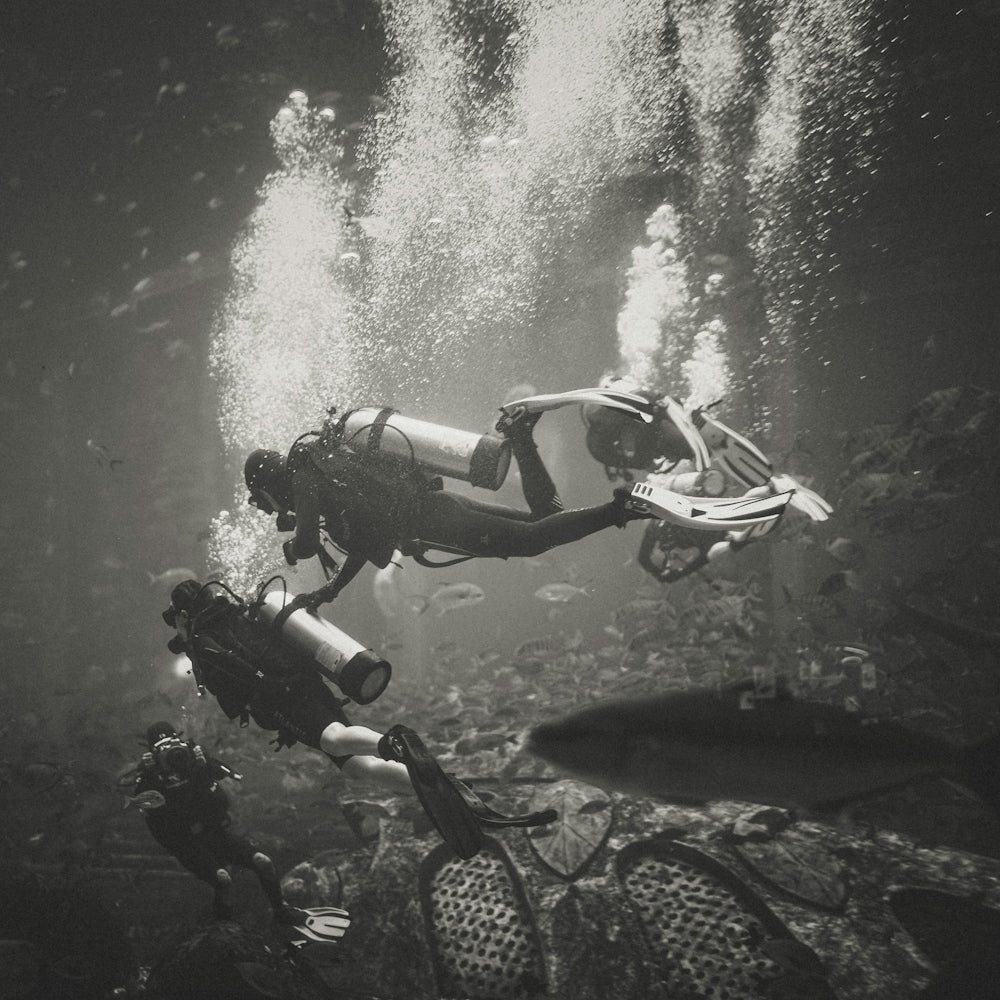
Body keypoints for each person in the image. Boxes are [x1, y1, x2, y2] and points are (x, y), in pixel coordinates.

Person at [163, 579, 555, 859]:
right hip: (305, 680)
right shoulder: (241, 611)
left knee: (335, 739)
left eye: (176, 620)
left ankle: (393, 743)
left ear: (184, 613)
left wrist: (259, 696)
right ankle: (446, 791)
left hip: (282, 698)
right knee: (354, 767)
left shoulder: (205, 640)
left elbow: (237, 689)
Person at [244, 405, 652, 603]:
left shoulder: (304, 477)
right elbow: (367, 542)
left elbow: (307, 543)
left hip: (429, 525)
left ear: (267, 487)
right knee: (544, 522)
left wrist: (293, 551)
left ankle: (621, 508)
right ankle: (521, 438)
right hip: (435, 505)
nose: (273, 510)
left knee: (531, 541)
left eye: (265, 503)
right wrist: (329, 591)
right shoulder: (325, 462)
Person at [130, 721, 307, 925]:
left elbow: (224, 785)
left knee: (264, 862)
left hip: (216, 834)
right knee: (223, 879)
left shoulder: (197, 762)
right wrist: (151, 775)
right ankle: (224, 929)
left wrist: (202, 765)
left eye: (173, 744)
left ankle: (281, 912)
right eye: (162, 749)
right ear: (152, 753)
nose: (172, 753)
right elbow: (152, 815)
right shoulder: (150, 777)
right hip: (187, 845)